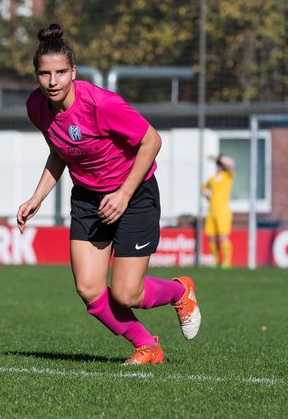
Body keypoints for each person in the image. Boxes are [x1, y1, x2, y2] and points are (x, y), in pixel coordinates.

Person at [16, 24, 200, 365]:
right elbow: (60, 151)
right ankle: (148, 346)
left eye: (60, 72)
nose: (53, 81)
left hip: (134, 194)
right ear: (36, 76)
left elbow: (152, 141)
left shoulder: (101, 104)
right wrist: (36, 198)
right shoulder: (36, 107)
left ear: (73, 71)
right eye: (44, 74)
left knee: (126, 294)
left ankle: (180, 290)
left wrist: (124, 194)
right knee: (89, 290)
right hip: (87, 199)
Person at [203, 155, 235, 269]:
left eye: (220, 165)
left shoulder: (228, 176)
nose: (219, 167)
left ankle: (226, 262)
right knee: (211, 237)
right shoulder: (212, 178)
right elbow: (204, 188)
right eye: (218, 165)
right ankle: (215, 261)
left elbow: (231, 163)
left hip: (223, 211)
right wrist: (208, 197)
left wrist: (217, 158)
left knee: (223, 237)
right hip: (212, 211)